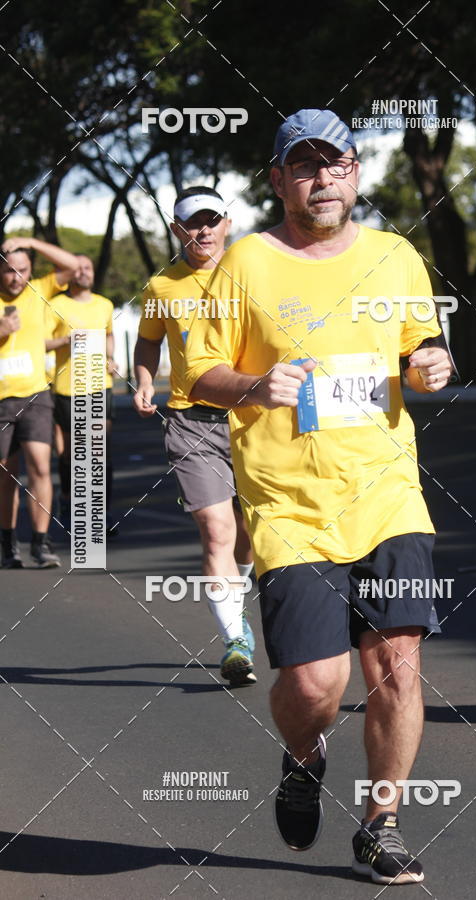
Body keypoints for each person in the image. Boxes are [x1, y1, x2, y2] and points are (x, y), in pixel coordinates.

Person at [184, 109, 453, 885]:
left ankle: (381, 825)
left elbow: (420, 343)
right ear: (278, 180)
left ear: (357, 171)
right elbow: (200, 372)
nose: (323, 178)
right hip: (288, 503)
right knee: (314, 683)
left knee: (397, 664)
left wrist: (431, 362)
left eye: (335, 163)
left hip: (388, 494)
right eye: (304, 166)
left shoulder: (395, 256)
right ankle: (304, 759)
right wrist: (255, 383)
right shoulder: (244, 265)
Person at [133, 186, 256, 687]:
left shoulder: (254, 272)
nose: (202, 230)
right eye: (192, 222)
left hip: (255, 419)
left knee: (249, 538)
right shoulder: (162, 286)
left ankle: (237, 608)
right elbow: (147, 344)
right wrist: (145, 380)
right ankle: (235, 642)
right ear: (176, 228)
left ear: (227, 223)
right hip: (191, 420)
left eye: (211, 220)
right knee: (217, 531)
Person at [0, 236, 79, 568]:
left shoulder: (39, 289)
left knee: (40, 467)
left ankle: (41, 543)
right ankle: (9, 544)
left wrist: (30, 240)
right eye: (9, 272)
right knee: (6, 474)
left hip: (35, 395)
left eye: (23, 270)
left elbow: (72, 266)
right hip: (1, 399)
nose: (17, 278)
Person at [46, 254, 118, 537]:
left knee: (100, 451)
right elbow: (40, 341)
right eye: (77, 268)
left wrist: (111, 357)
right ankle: (68, 502)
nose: (84, 272)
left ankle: (101, 514)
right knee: (71, 455)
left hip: (101, 386)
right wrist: (66, 340)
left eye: (88, 267)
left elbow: (110, 334)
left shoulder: (105, 304)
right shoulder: (56, 304)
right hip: (68, 388)